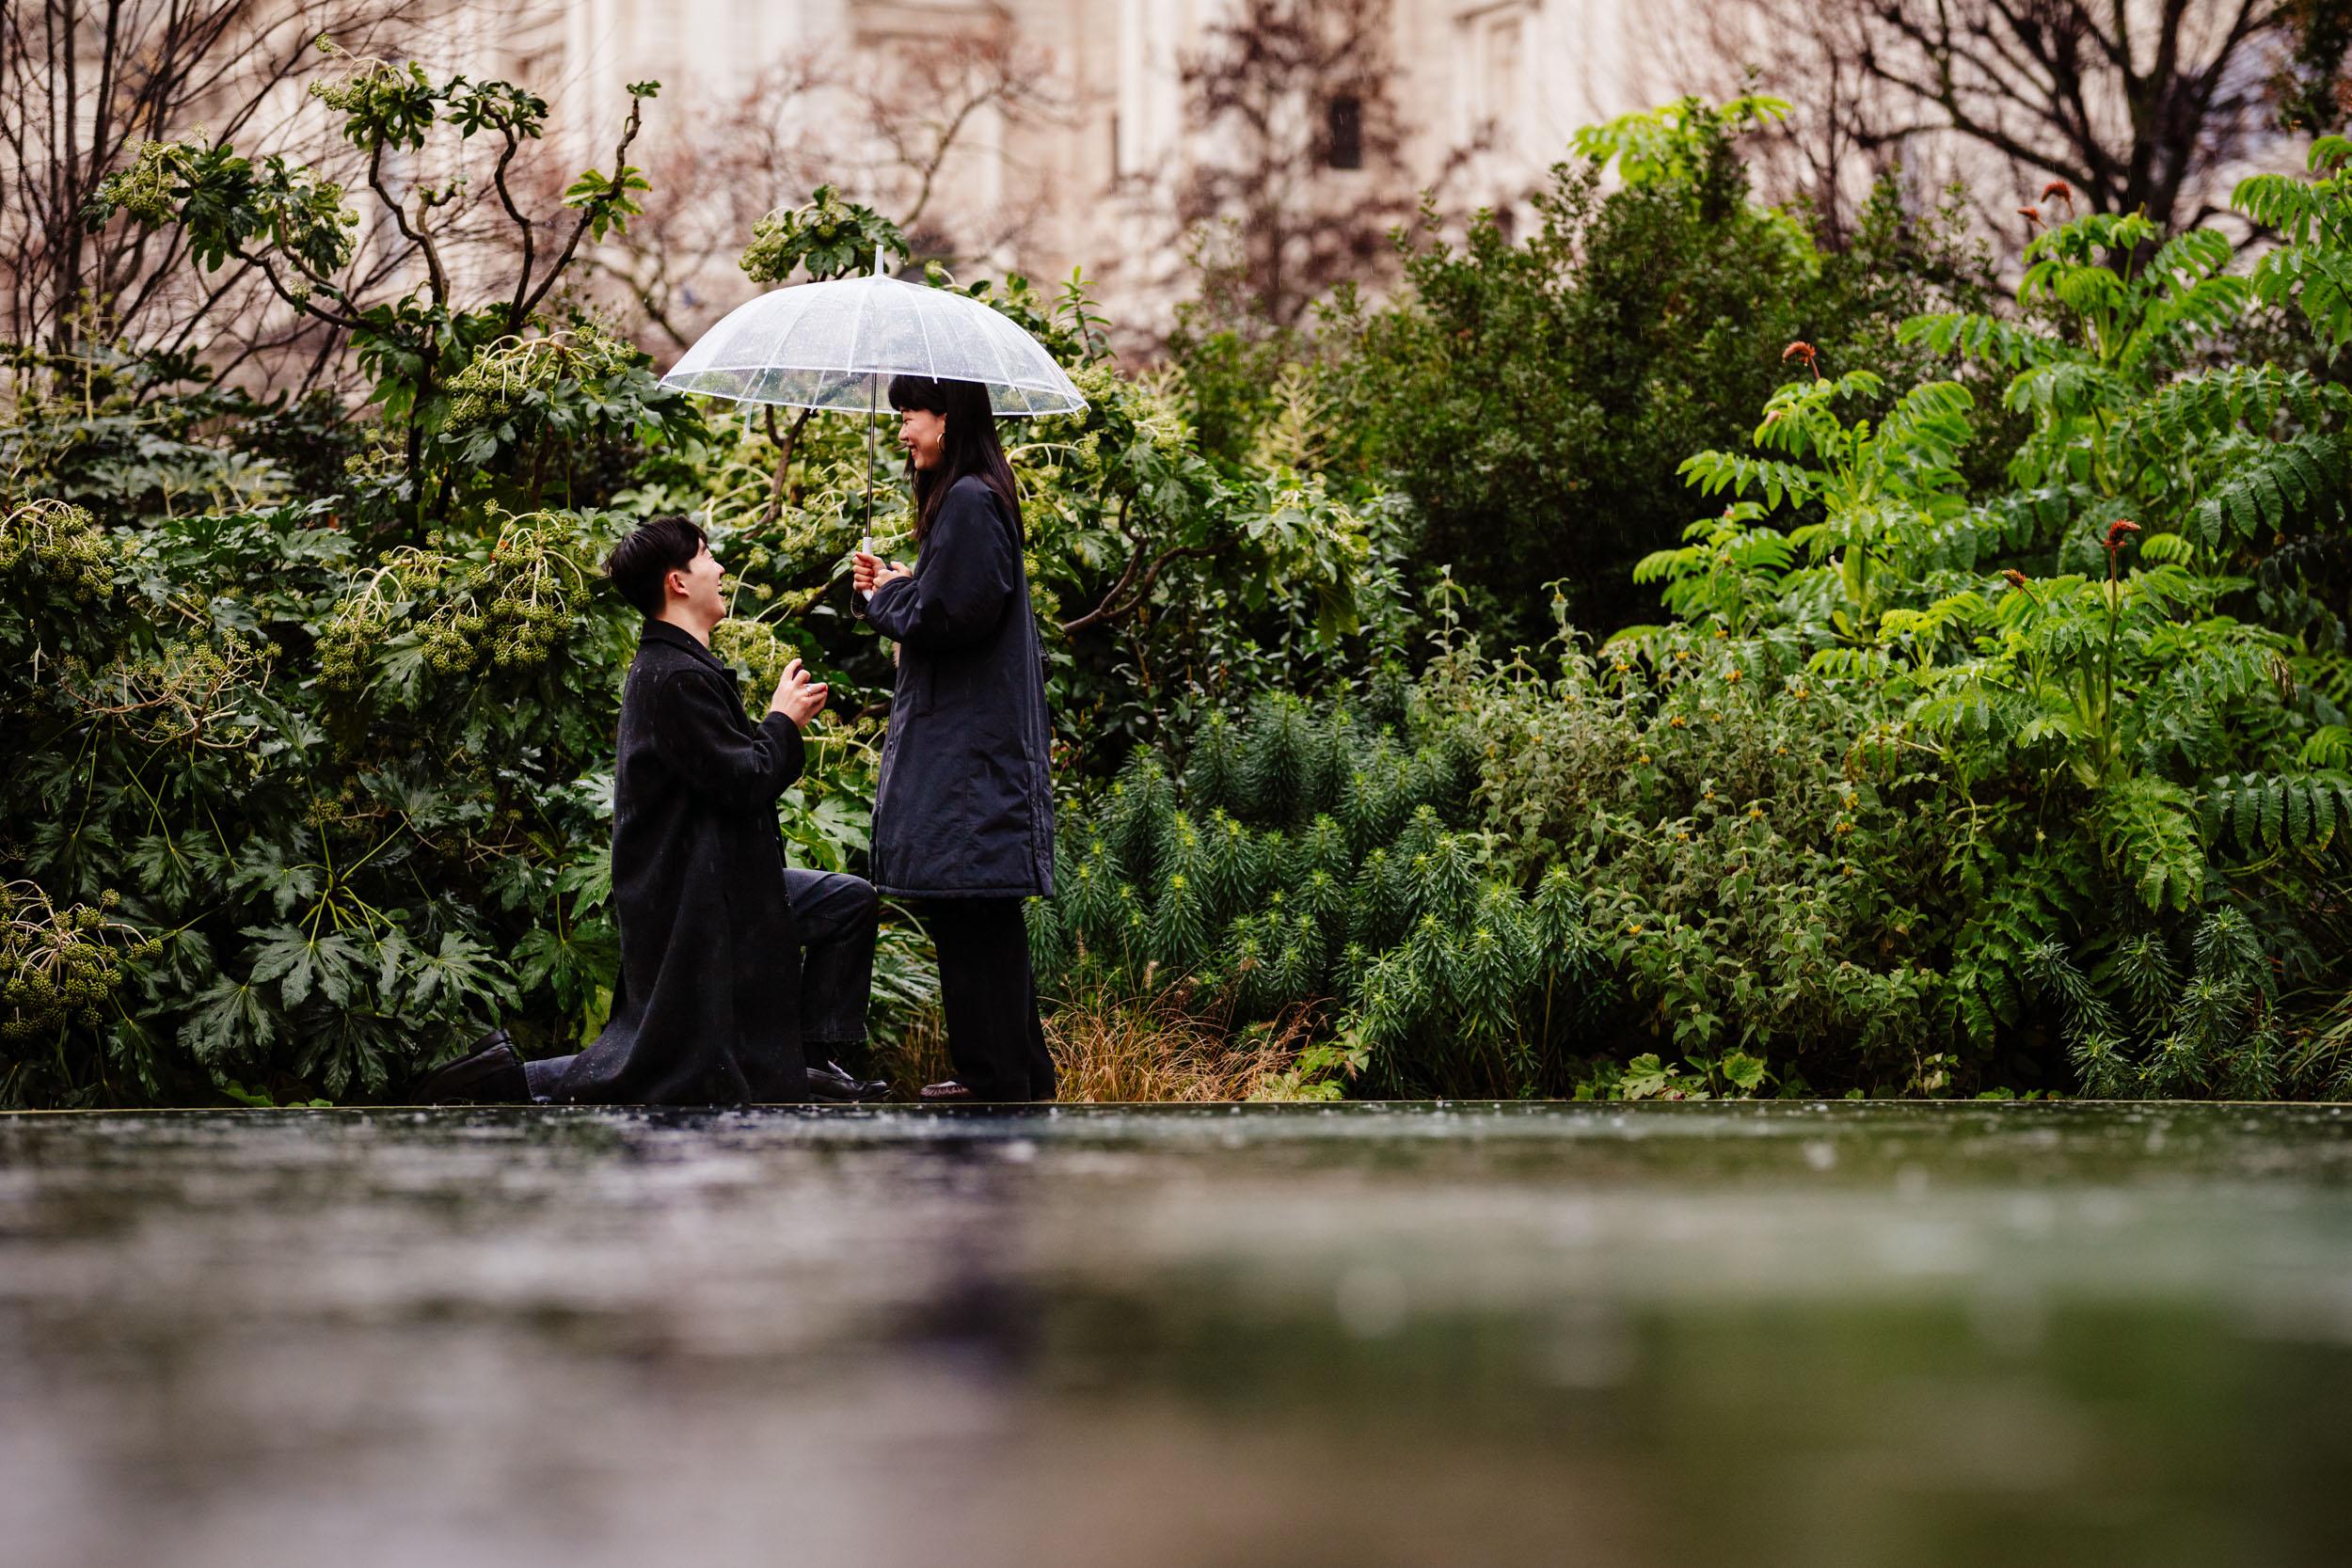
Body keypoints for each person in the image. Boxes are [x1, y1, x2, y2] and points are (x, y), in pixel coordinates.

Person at [421, 515, 886, 1106]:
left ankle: (812, 1061)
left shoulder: (680, 668)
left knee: (847, 903)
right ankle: (500, 1079)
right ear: (679, 582)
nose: (720, 567)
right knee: (651, 1063)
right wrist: (782, 721)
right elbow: (746, 781)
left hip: (723, 882)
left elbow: (730, 775)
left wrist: (777, 723)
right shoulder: (672, 678)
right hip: (692, 897)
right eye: (707, 555)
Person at [852, 375, 1057, 1103]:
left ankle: (993, 1078)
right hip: (976, 746)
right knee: (982, 912)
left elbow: (951, 618)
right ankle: (1018, 1075)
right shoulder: (974, 496)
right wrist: (913, 579)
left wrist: (887, 597)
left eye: (910, 413)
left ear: (948, 417)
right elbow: (960, 597)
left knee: (970, 906)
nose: (903, 429)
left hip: (969, 756)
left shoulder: (969, 498)